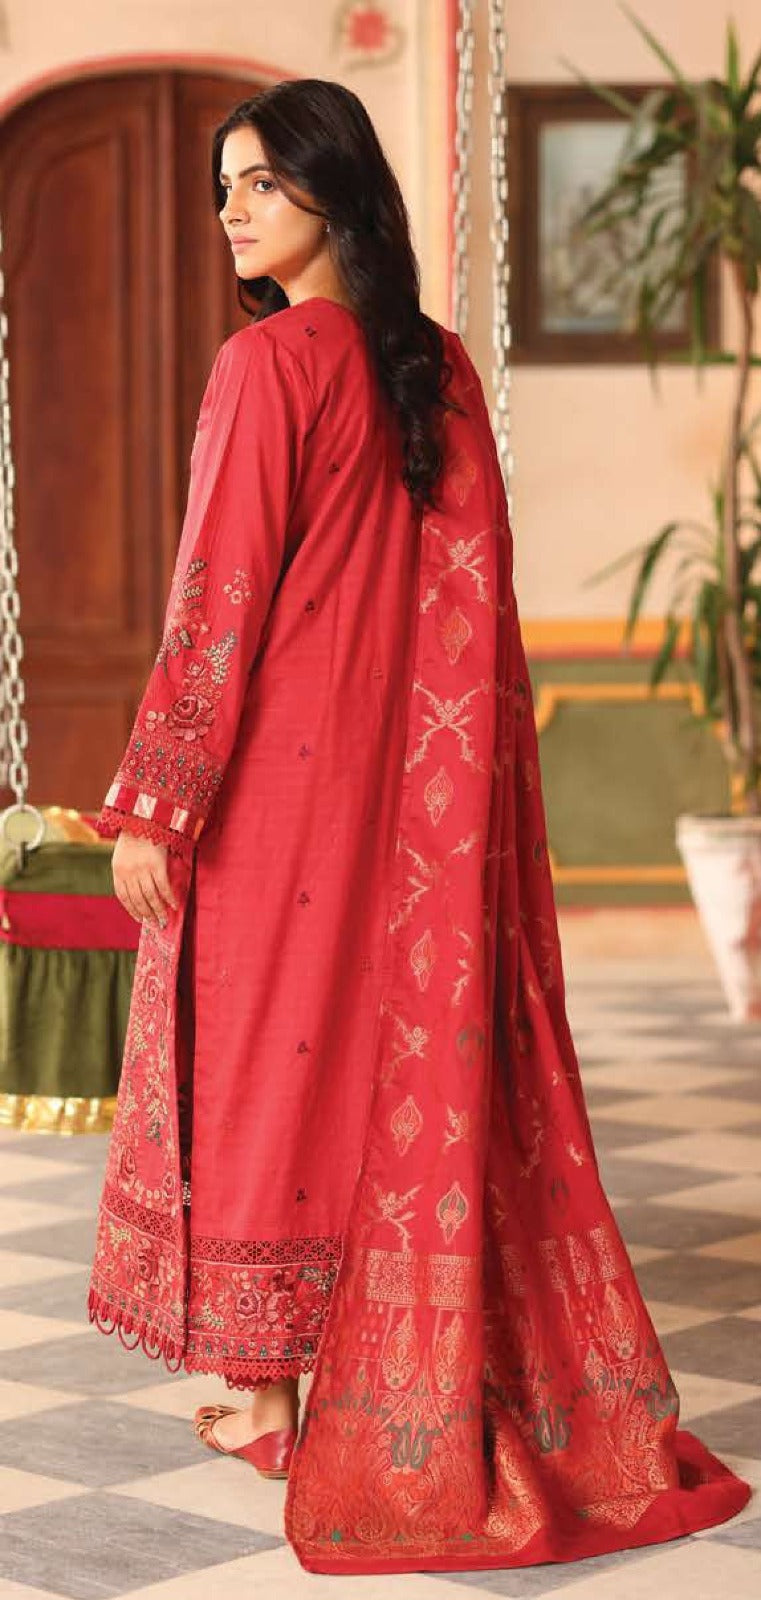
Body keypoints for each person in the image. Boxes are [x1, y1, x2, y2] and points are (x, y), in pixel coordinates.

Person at [88, 79, 751, 1574]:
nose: (233, 211)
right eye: (225, 188)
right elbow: (477, 636)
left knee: (255, 1067)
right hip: (410, 821)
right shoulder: (436, 368)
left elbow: (217, 597)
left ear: (335, 191)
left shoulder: (265, 367)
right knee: (371, 1085)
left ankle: (266, 1387)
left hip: (270, 797)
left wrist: (156, 800)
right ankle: (313, 1383)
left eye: (260, 183)